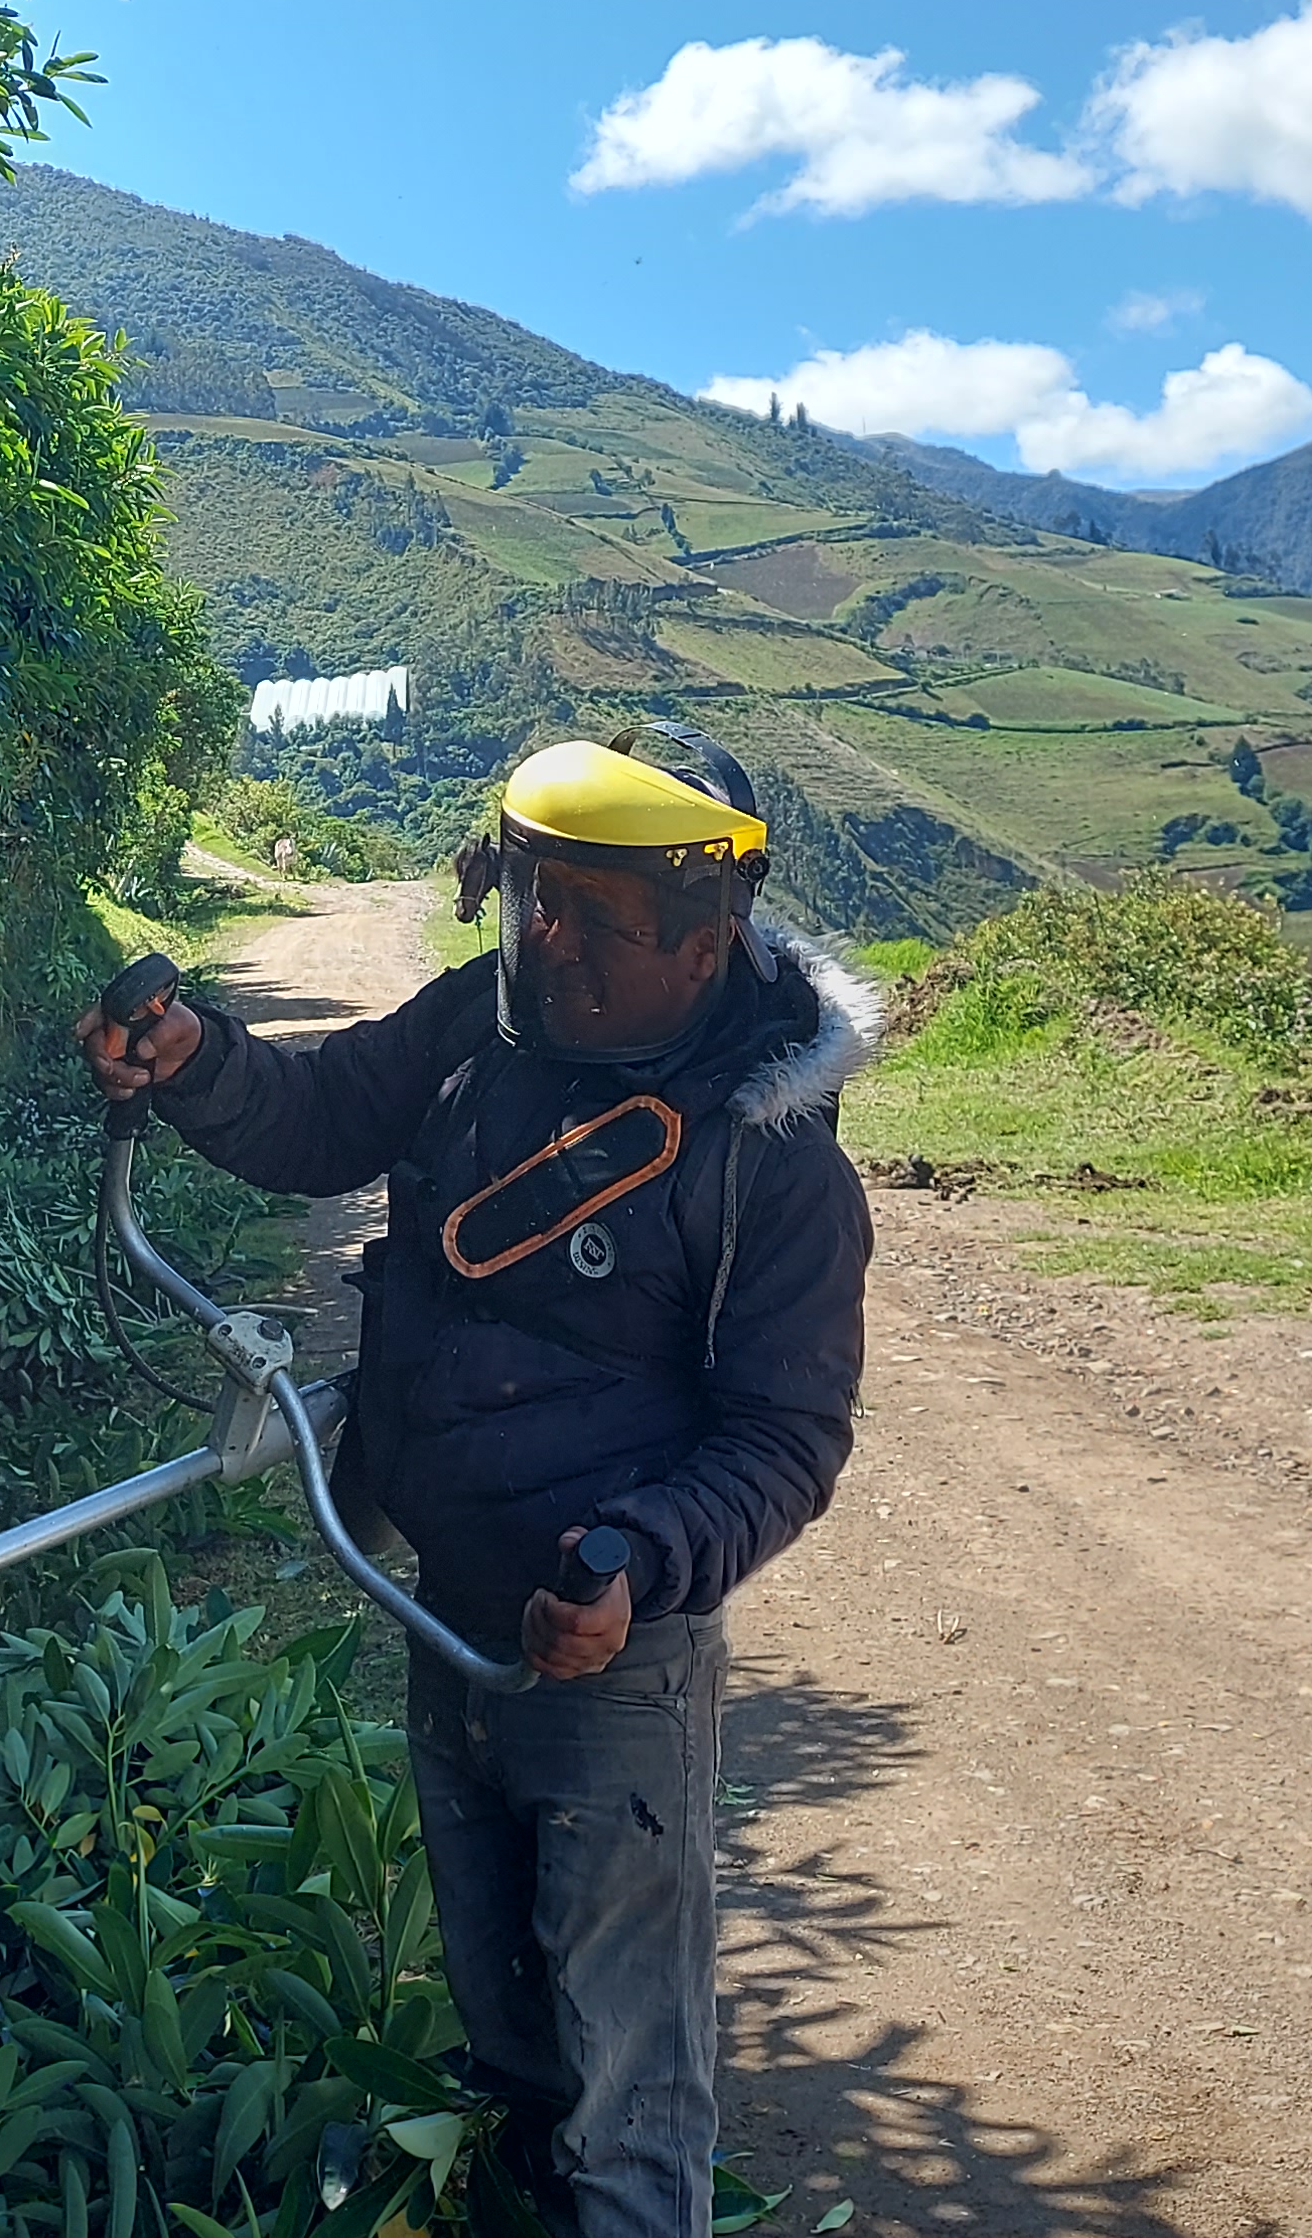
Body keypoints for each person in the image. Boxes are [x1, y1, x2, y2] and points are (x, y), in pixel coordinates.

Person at [78, 725, 877, 2238]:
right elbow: (327, 1115)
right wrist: (196, 1062)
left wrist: (638, 1555)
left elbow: (787, 1440)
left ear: (707, 936)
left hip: (610, 1665)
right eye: (535, 895)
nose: (550, 939)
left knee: (625, 2091)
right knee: (509, 2037)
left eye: (596, 915)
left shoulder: (767, 1161)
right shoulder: (485, 1022)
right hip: (446, 1617)